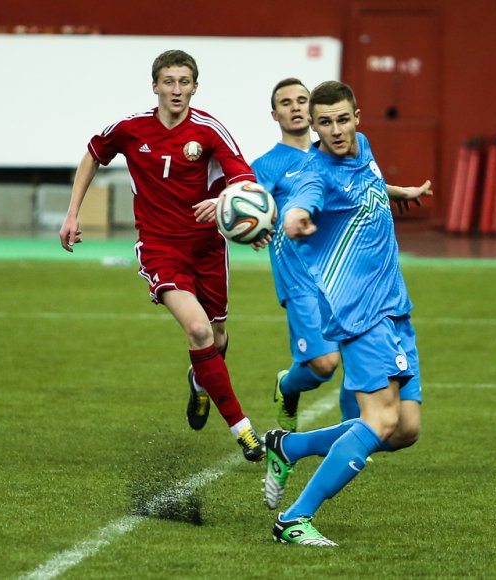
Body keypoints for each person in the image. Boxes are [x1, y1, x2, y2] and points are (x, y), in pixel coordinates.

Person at [59, 49, 265, 462]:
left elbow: (245, 180)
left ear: (195, 87)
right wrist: (72, 212)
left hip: (208, 248)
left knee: (217, 337)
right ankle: (243, 429)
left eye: (184, 82)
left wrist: (224, 201)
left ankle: (200, 381)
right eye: (168, 81)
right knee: (198, 330)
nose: (176, 89)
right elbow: (93, 154)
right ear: (154, 86)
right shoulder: (130, 129)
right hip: (160, 247)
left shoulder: (209, 130)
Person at [263, 81, 423, 546]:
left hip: (395, 307)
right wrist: (294, 218)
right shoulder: (316, 173)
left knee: (405, 430)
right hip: (359, 313)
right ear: (314, 127)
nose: (335, 131)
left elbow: (364, 184)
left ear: (357, 117)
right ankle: (294, 519)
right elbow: (303, 200)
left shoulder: (363, 147)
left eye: (341, 120)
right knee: (380, 420)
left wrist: (395, 192)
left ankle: (289, 445)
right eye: (325, 123)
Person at [251, 78, 431, 432]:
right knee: (324, 363)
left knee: (356, 351)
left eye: (301, 99)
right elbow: (249, 204)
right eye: (286, 102)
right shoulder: (269, 164)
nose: (295, 106)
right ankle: (288, 387)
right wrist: (251, 222)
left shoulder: (350, 146)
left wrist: (395, 191)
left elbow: (355, 186)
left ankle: (358, 433)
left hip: (343, 275)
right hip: (300, 273)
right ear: (275, 114)